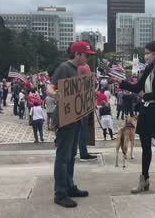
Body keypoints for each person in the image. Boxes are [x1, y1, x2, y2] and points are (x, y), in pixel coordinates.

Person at [114, 41, 155, 198]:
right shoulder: (150, 68)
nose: (146, 56)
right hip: (147, 111)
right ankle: (144, 179)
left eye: (147, 52)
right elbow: (137, 87)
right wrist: (121, 83)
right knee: (145, 146)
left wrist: (145, 96)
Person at [47, 41, 95, 208]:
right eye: (86, 55)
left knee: (71, 155)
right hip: (64, 119)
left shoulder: (76, 70)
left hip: (74, 119)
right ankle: (60, 194)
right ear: (78, 54)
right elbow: (50, 87)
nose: (88, 58)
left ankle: (69, 186)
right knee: (62, 157)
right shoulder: (63, 68)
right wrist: (55, 94)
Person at [77, 63, 97, 161]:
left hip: (80, 101)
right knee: (82, 130)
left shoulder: (74, 67)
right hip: (83, 103)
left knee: (79, 130)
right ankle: (83, 153)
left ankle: (80, 152)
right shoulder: (84, 67)